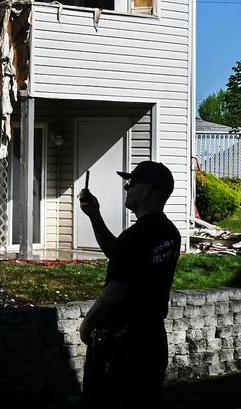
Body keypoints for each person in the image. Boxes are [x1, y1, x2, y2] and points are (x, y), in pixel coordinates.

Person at [77, 160, 181, 408]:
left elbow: (116, 292)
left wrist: (88, 322)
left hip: (124, 345)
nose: (126, 189)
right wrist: (94, 215)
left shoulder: (136, 237)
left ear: (147, 189)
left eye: (131, 184)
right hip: (153, 339)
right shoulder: (169, 233)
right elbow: (119, 254)